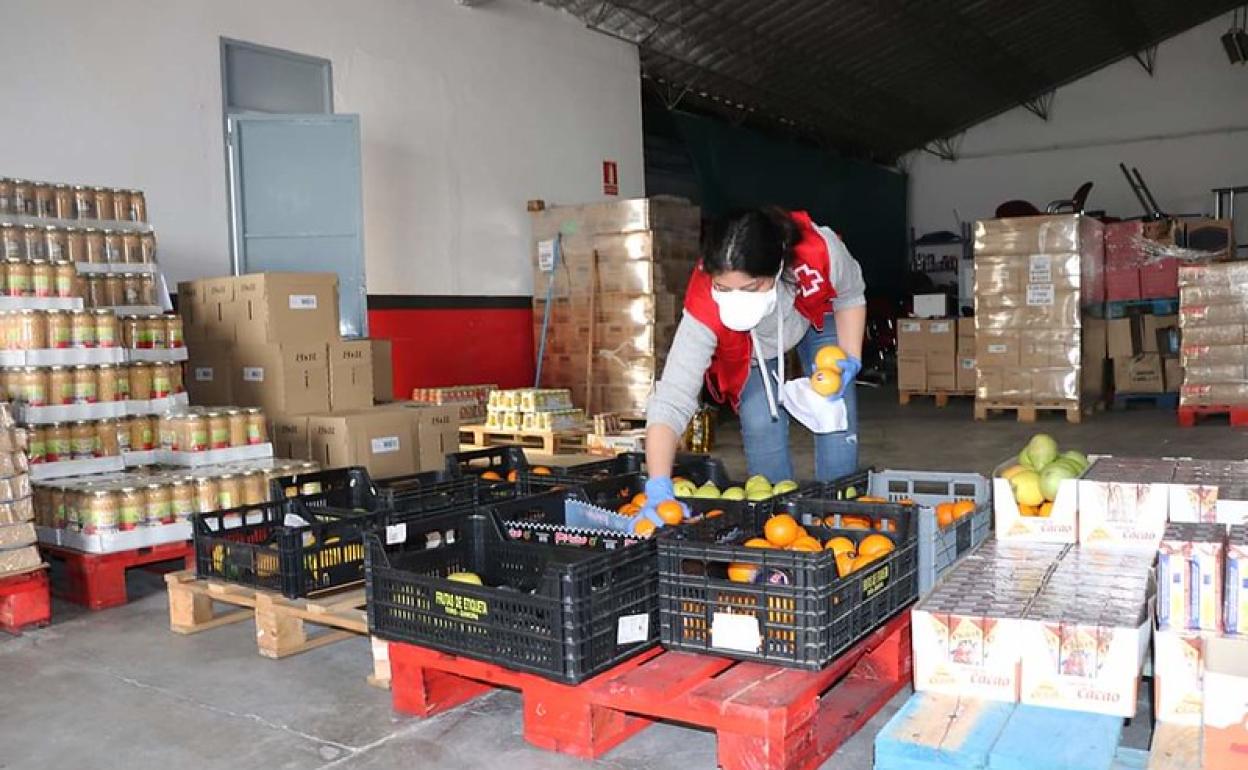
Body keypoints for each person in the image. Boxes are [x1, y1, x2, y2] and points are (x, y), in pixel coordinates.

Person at [641, 206, 867, 520]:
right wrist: (658, 486)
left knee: (835, 416)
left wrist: (851, 357)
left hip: (815, 315)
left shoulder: (819, 253)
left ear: (776, 268)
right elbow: (673, 398)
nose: (735, 298)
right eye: (723, 287)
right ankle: (778, 526)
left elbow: (851, 295)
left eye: (748, 288)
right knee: (761, 424)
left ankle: (839, 518)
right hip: (748, 343)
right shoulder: (705, 305)